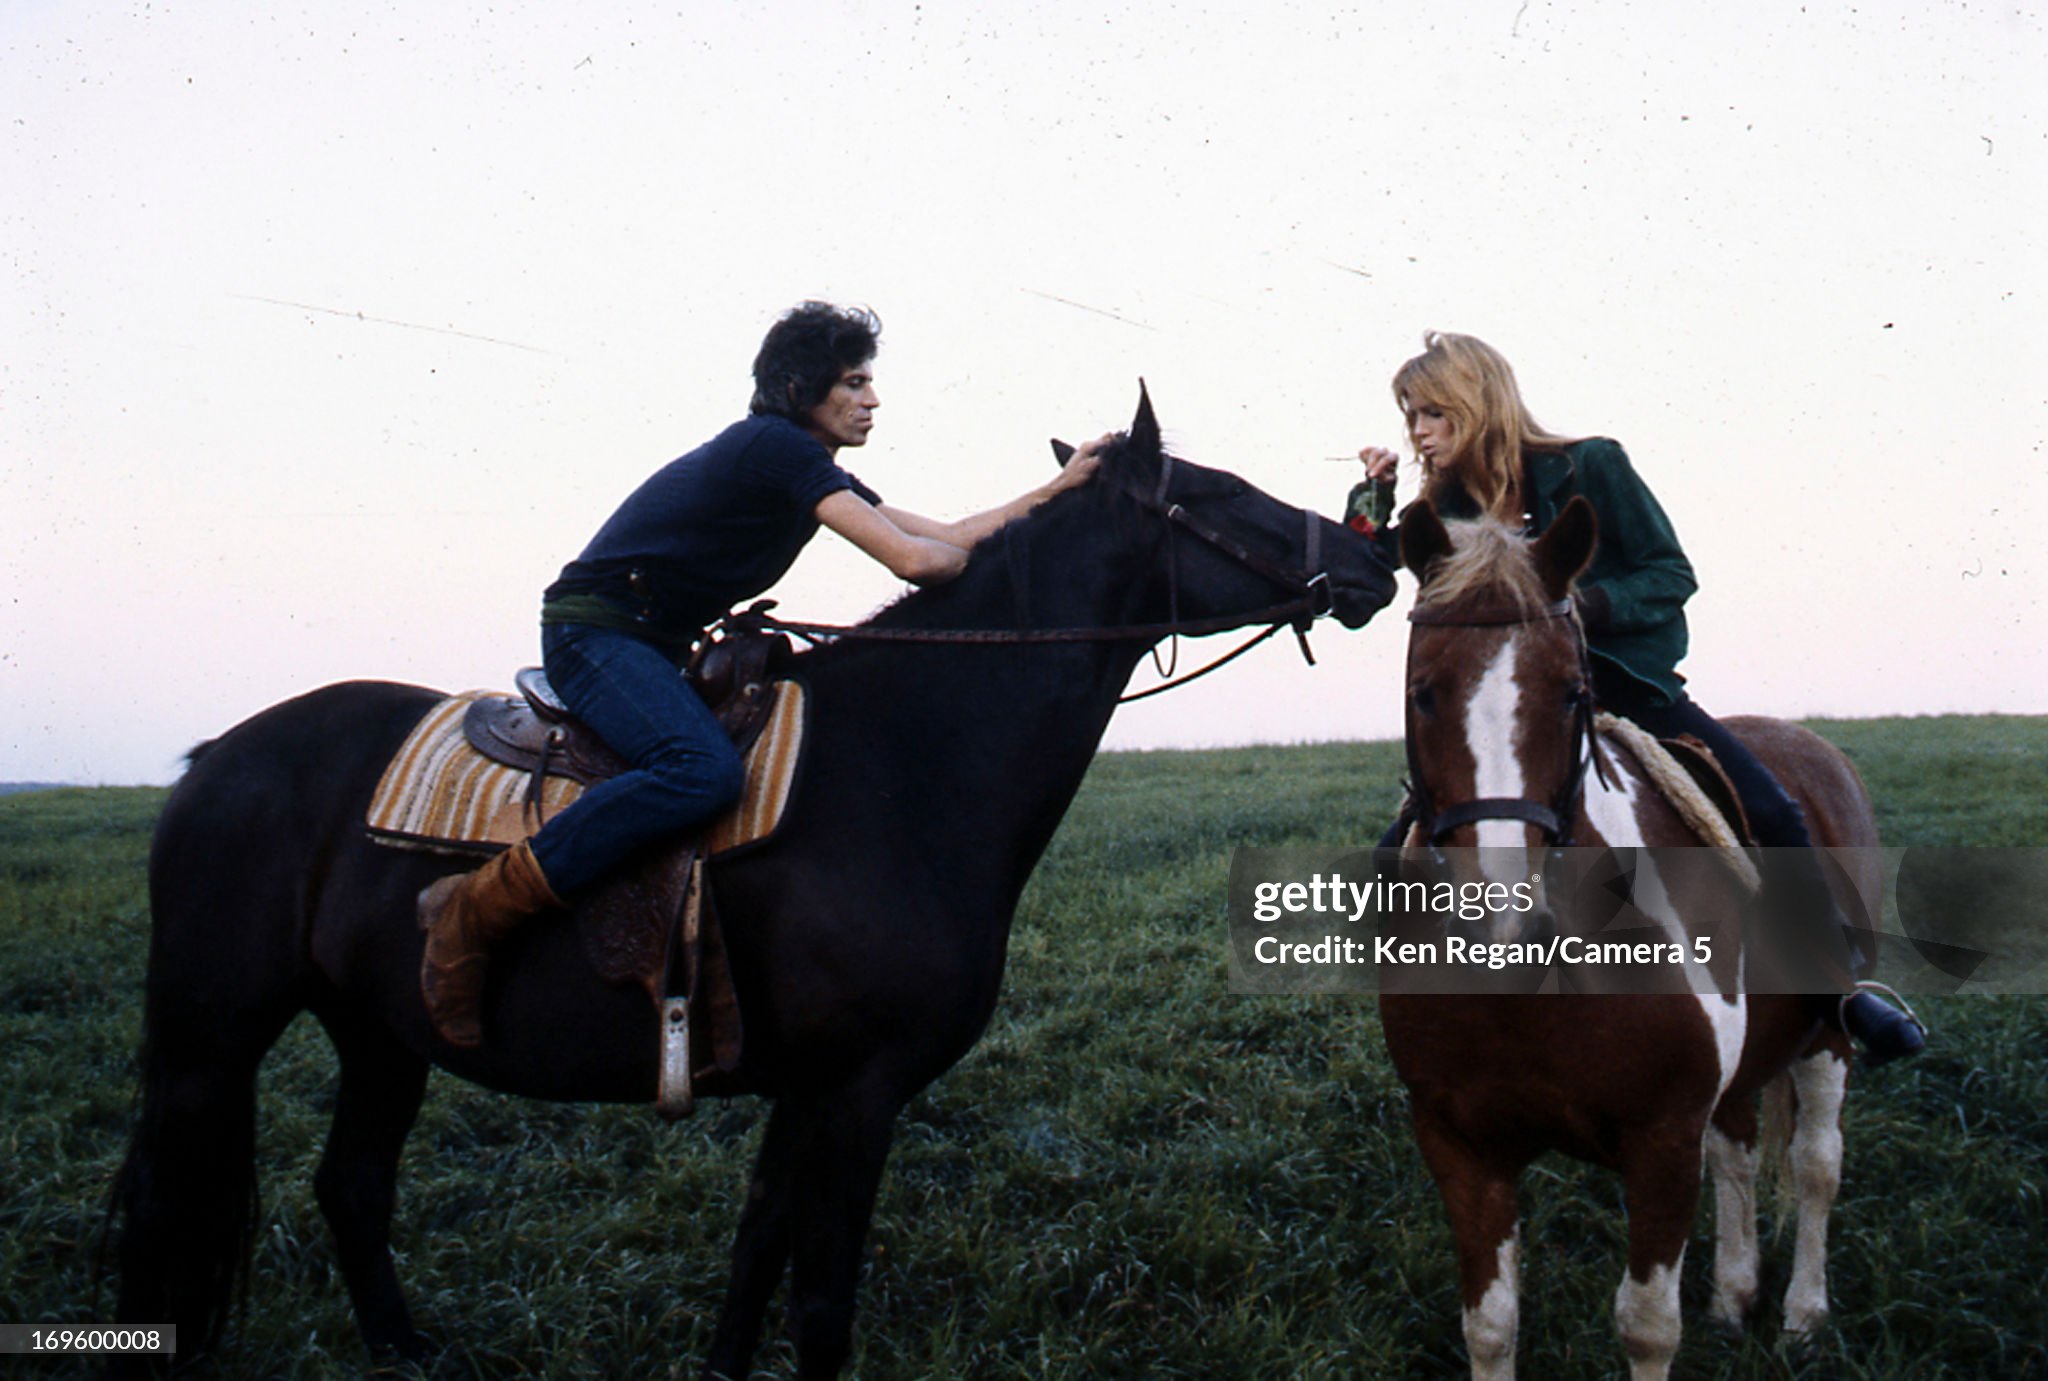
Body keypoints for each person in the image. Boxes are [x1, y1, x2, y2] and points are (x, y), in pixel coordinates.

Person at [419, 301, 1106, 1048]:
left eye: (868, 381)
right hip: (597, 634)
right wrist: (968, 570)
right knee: (699, 771)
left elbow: (942, 533)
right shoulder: (772, 450)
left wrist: (1056, 493)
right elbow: (918, 558)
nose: (871, 399)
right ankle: (474, 910)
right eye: (853, 381)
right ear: (799, 387)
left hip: (651, 642)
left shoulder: (804, 465)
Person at [1348, 330, 1924, 1065]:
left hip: (1630, 694)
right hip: (1523, 720)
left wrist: (1583, 611)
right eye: (1411, 416)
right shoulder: (1447, 504)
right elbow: (1363, 583)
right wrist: (1375, 494)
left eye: (1431, 412)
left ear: (1475, 402)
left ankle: (1838, 992)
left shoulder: (1591, 466)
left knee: (1772, 809)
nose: (1419, 432)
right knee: (1394, 849)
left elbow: (1669, 571)